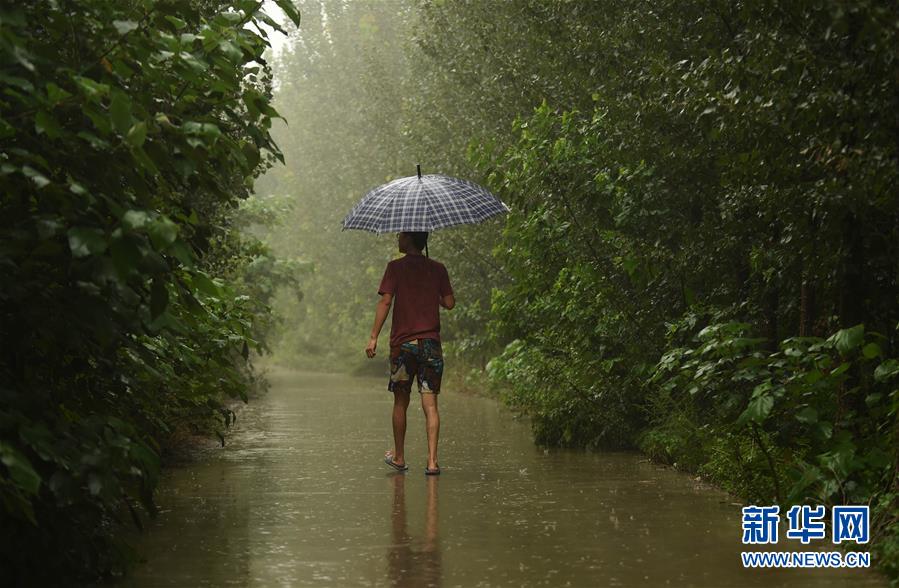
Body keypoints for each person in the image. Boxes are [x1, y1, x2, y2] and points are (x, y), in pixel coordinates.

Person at [366, 231, 455, 475]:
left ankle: (399, 457)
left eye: (401, 234)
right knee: (431, 404)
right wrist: (432, 294)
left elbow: (385, 302)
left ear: (410, 239)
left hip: (404, 346)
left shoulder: (395, 268)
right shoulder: (438, 269)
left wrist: (374, 336)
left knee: (400, 402)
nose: (398, 237)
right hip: (430, 344)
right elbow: (449, 303)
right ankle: (433, 462)